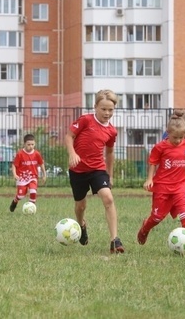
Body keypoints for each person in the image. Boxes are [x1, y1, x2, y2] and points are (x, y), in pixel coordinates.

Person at [65, 89, 125, 254]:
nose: (107, 113)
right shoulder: (85, 120)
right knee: (80, 206)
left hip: (97, 169)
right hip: (78, 170)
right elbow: (69, 136)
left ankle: (114, 240)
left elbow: (110, 152)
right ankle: (81, 225)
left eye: (110, 110)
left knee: (108, 198)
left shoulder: (112, 131)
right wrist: (73, 154)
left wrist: (110, 174)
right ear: (95, 107)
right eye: (103, 109)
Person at [137, 110, 185, 256]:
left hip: (179, 187)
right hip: (163, 187)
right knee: (157, 218)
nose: (178, 140)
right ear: (167, 133)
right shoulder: (160, 147)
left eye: (181, 137)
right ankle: (145, 229)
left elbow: (183, 161)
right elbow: (153, 163)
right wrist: (149, 179)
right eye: (175, 137)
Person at [9, 134, 46, 212]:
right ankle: (15, 201)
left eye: (32, 144)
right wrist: (15, 174)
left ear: (35, 144)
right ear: (24, 144)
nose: (31, 146)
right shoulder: (20, 154)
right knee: (21, 196)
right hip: (22, 178)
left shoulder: (37, 154)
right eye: (28, 144)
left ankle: (31, 209)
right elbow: (14, 165)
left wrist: (44, 174)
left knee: (33, 191)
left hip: (33, 177)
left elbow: (41, 164)